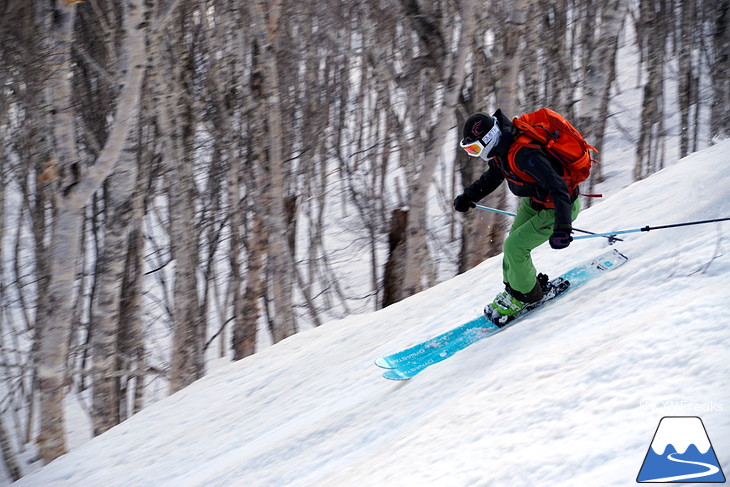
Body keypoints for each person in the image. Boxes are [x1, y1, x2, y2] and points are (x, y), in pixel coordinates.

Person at [454, 109, 580, 322]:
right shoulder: (503, 150)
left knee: (515, 246)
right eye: (470, 150)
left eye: (475, 148)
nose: (475, 153)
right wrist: (468, 196)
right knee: (511, 246)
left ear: (489, 138)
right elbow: (493, 176)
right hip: (535, 202)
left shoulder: (524, 154)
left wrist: (563, 227)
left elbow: (558, 187)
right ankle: (517, 289)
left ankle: (528, 296)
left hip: (558, 206)